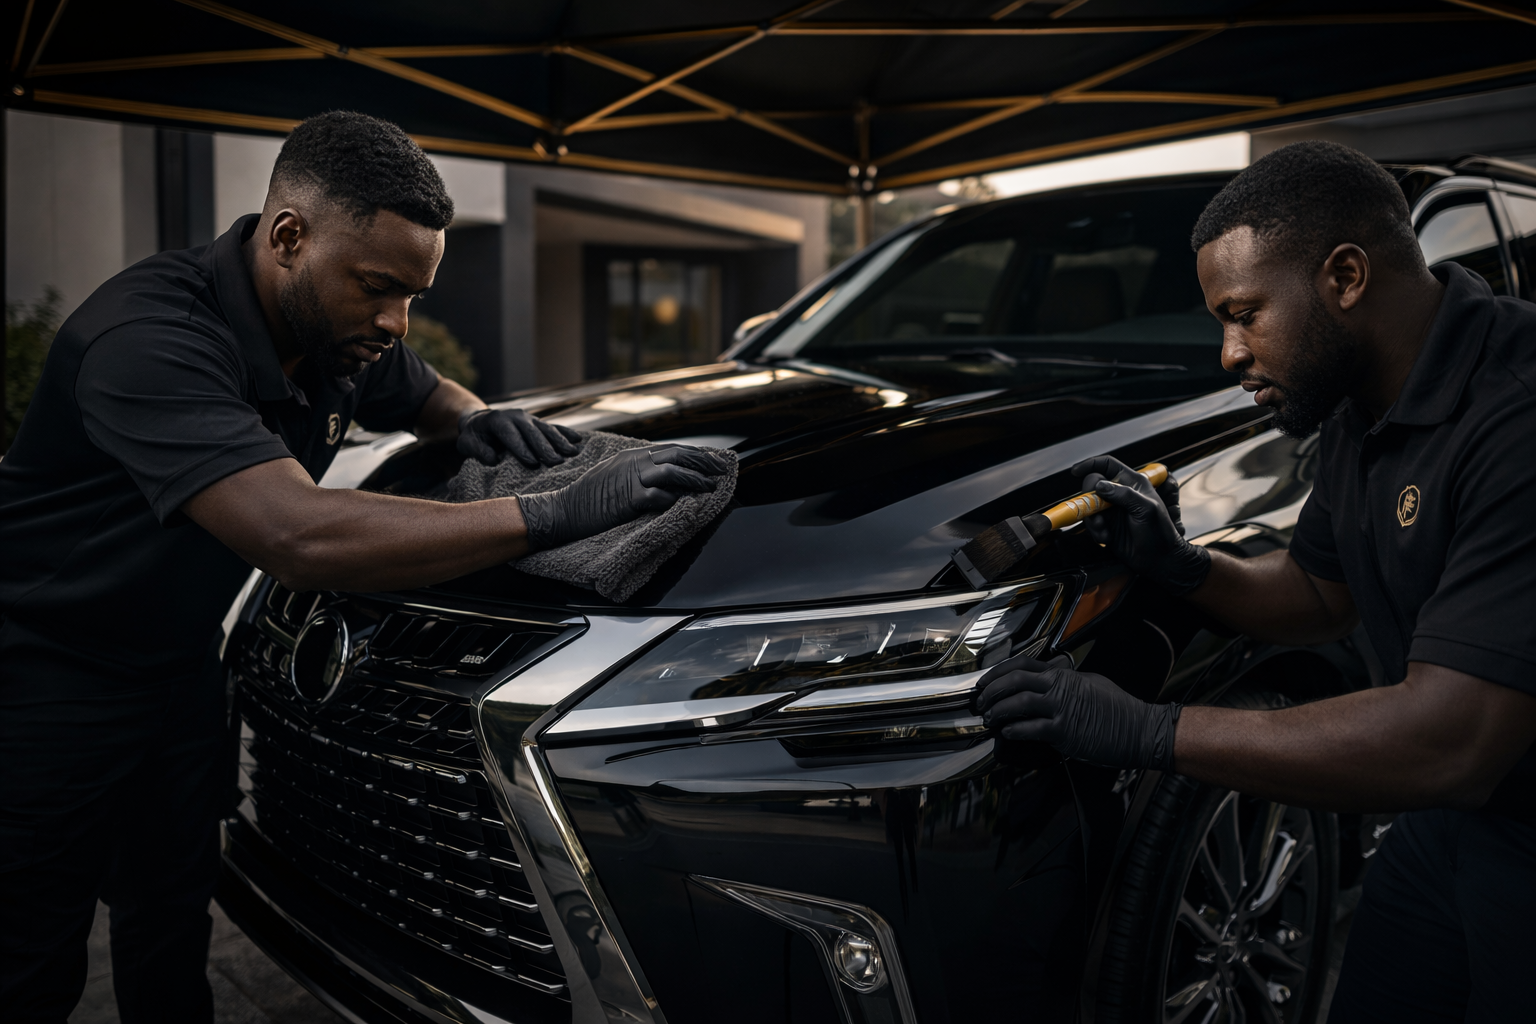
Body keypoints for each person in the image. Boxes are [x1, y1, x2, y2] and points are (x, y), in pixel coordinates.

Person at [0, 110, 727, 1023]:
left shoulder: (336, 327)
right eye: (381, 288)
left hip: (175, 668)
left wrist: (472, 419)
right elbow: (294, 532)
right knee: (31, 955)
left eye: (415, 295)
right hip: (44, 676)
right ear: (289, 237)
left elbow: (425, 392)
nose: (397, 320)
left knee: (171, 916)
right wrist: (553, 512)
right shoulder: (149, 340)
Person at [976, 141, 1536, 1021]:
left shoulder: (1517, 415)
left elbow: (1453, 737)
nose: (1229, 353)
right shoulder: (1362, 400)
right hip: (1445, 827)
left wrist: (1152, 733)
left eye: (1244, 313)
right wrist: (1188, 567)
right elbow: (1320, 596)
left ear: (1345, 276)